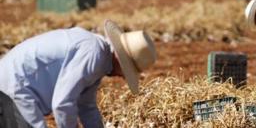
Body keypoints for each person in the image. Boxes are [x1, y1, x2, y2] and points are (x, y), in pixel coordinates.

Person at [0, 20, 157, 128]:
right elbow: (62, 104)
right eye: (127, 71)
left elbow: (86, 106)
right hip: (15, 83)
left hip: (16, 82)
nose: (123, 77)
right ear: (121, 59)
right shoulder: (94, 54)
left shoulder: (99, 57)